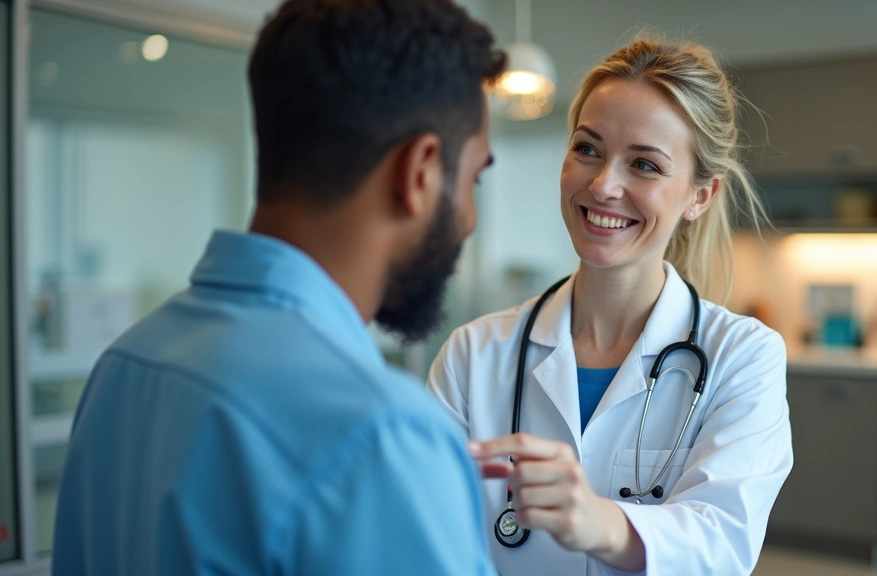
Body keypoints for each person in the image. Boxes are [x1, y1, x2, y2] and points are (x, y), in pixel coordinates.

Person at [51, 0, 504, 574]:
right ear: (419, 172)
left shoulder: (126, 363)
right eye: (473, 179)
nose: (469, 216)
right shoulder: (383, 433)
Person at [428, 38, 793, 575]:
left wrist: (597, 522)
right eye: (587, 149)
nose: (603, 185)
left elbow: (723, 543)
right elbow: (425, 532)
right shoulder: (474, 353)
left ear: (701, 196)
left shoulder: (742, 357)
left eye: (644, 164)